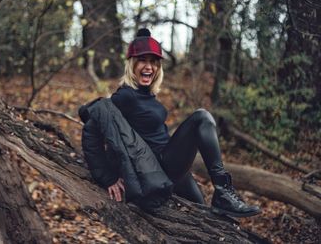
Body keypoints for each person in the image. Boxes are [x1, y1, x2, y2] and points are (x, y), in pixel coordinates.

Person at [85, 28, 260, 217]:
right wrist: (108, 177)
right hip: (155, 166)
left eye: (154, 62)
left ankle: (222, 202)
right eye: (142, 60)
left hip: (170, 165)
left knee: (205, 216)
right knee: (202, 118)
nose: (149, 67)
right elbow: (91, 131)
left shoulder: (147, 94)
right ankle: (224, 191)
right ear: (132, 64)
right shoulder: (125, 96)